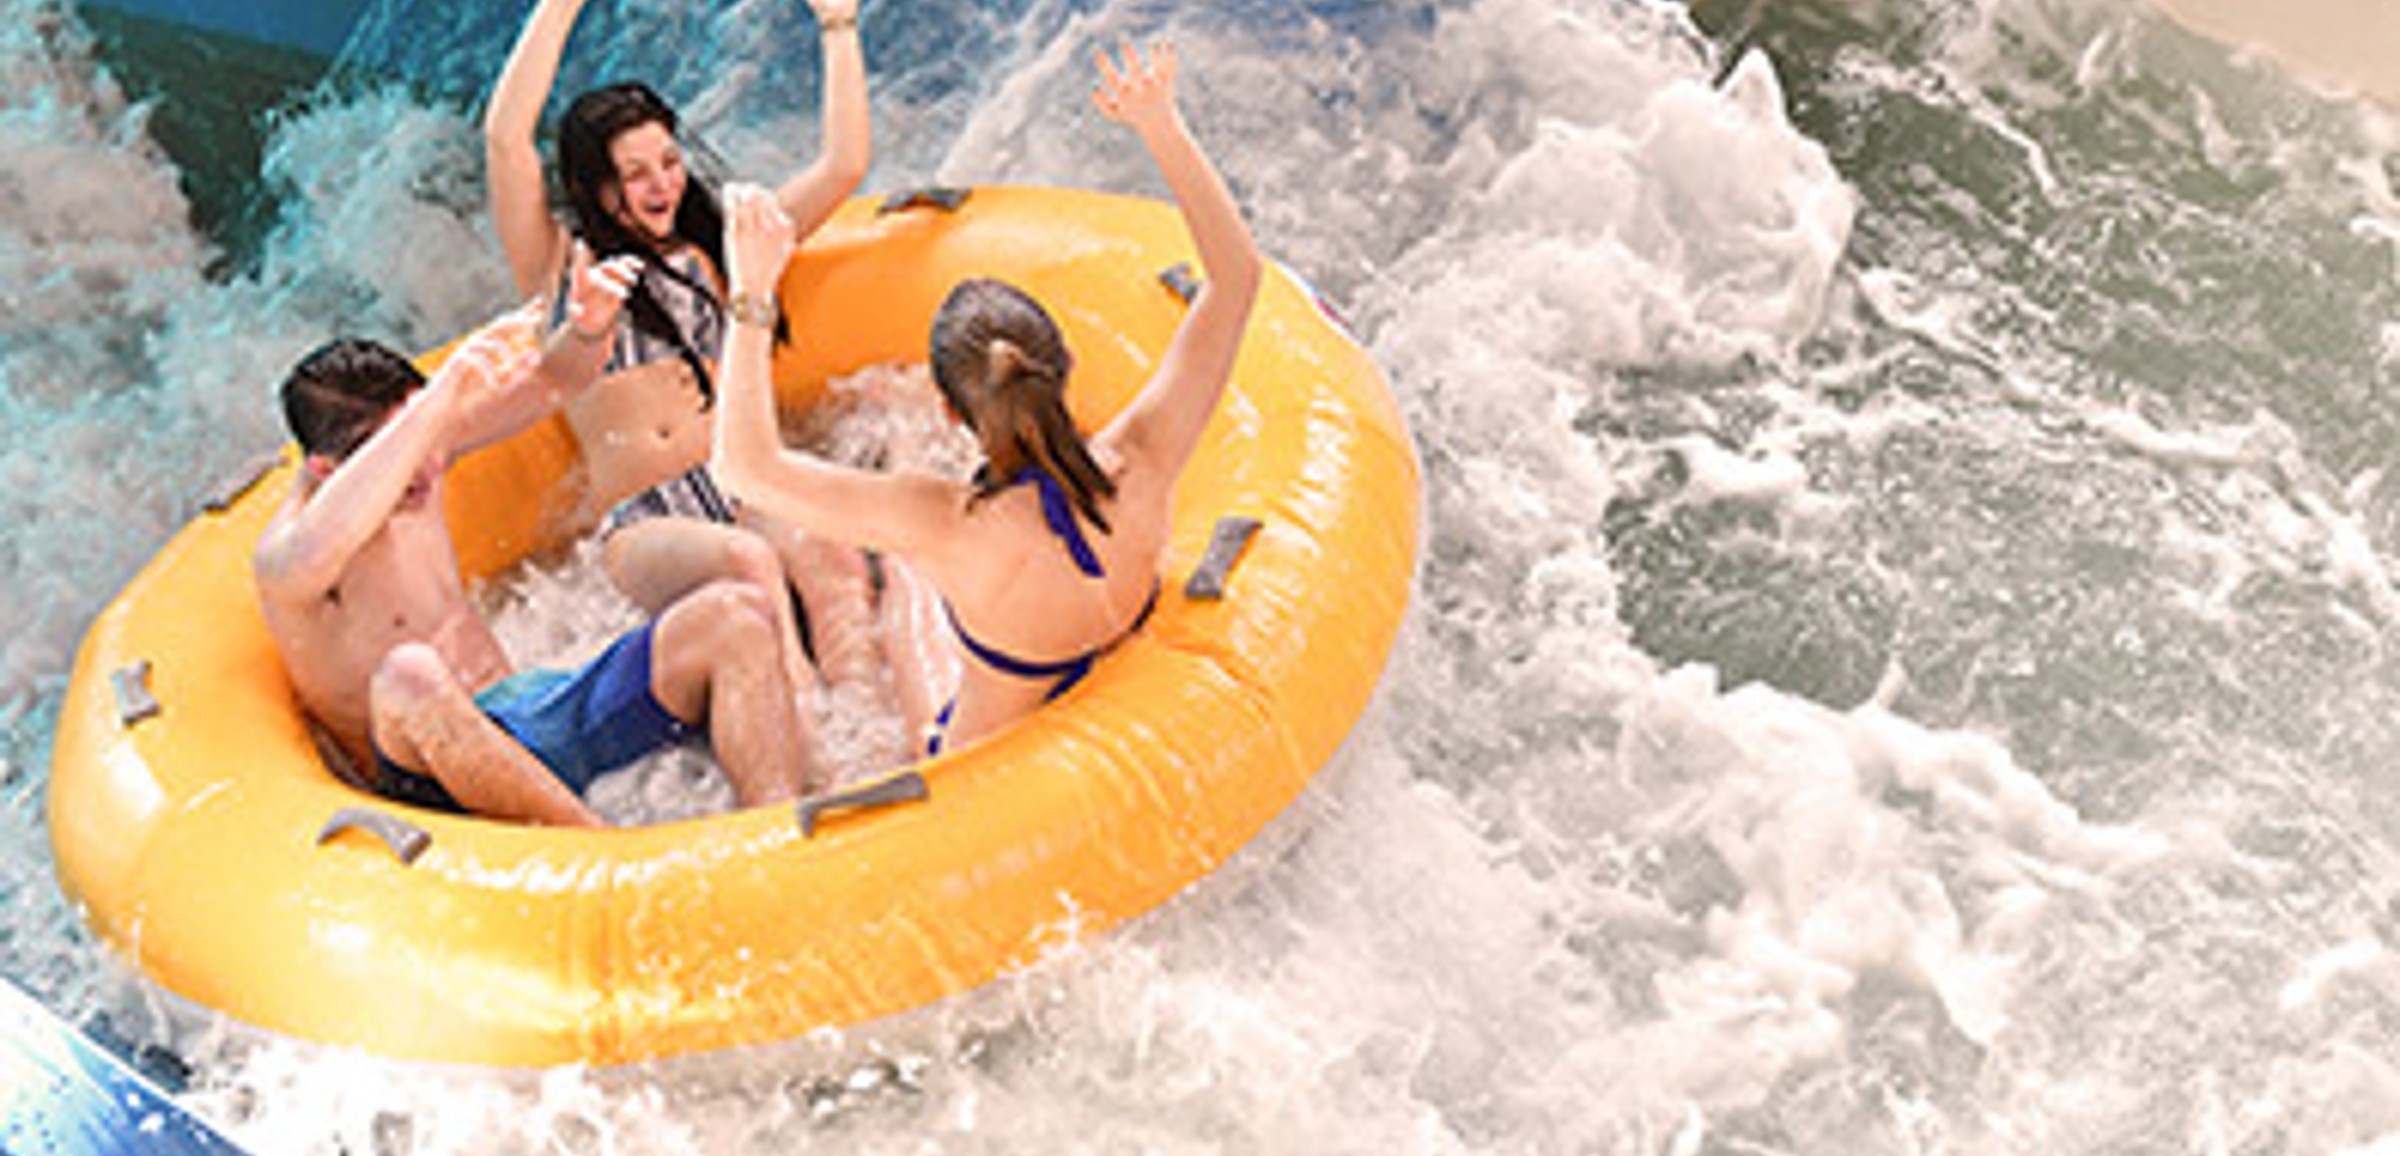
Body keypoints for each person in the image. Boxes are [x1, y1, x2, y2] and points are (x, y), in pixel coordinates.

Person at [709, 41, 1263, 755]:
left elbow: (742, 468)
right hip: (1124, 697)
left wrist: (752, 291)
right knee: (911, 555)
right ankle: (897, 433)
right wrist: (1162, 126)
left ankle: (896, 433)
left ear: (952, 411)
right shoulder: (1147, 454)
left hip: (985, 757)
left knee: (907, 583)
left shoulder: (944, 522)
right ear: (1063, 364)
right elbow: (1237, 277)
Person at [255, 267, 817, 827]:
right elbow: (319, 547)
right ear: (324, 469)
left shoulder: (422, 449)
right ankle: (601, 852)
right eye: (408, 446)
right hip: (438, 778)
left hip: (529, 716)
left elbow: (554, 383)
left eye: (426, 437)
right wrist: (440, 398)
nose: (429, 465)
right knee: (409, 673)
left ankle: (773, 834)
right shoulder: (288, 557)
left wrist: (589, 329)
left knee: (736, 614)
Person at [482, 0, 877, 709]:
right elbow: (506, 139)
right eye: (636, 173)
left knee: (833, 553)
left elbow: (844, 166)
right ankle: (808, 723)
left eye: (669, 162)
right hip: (647, 520)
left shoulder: (723, 246)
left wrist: (839, 26)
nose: (662, 184)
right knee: (749, 564)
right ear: (596, 188)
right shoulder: (560, 267)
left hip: (740, 482)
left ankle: (864, 720)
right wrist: (560, 9)